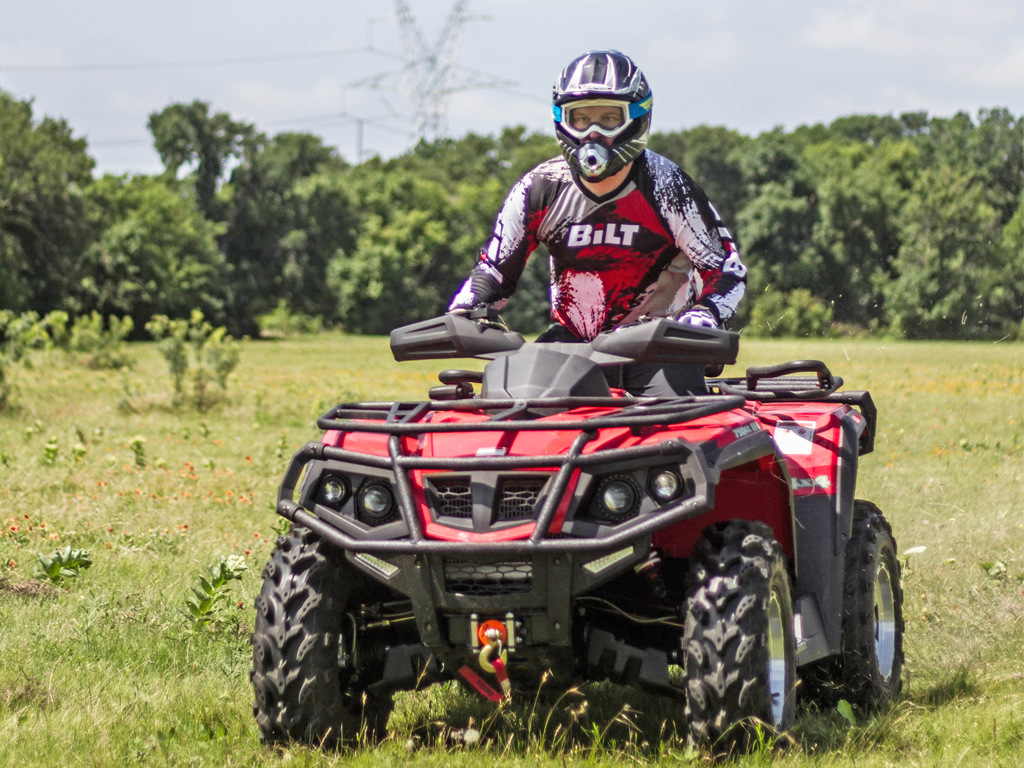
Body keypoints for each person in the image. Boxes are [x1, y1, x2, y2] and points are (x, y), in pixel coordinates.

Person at [448, 49, 747, 397]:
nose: (592, 133)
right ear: (561, 119)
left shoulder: (668, 187)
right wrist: (466, 308)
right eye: (580, 119)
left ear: (638, 118)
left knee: (672, 422)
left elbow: (726, 270)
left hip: (661, 346)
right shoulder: (538, 188)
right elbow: (495, 273)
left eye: (608, 118)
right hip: (570, 347)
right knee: (522, 409)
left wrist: (705, 315)